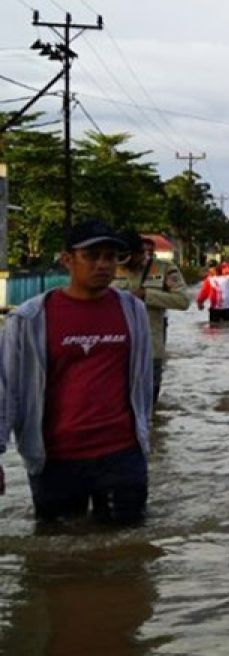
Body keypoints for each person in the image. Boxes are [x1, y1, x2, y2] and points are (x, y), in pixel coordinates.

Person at [0, 219, 155, 524]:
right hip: (55, 459)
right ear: (67, 260)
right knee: (57, 558)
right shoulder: (30, 319)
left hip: (122, 454)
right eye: (92, 256)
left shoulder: (132, 311)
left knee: (128, 556)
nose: (103, 265)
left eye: (110, 257)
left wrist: (143, 435)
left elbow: (144, 380)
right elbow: (7, 387)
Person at [112, 231, 189, 403]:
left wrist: (147, 295)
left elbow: (183, 301)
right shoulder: (109, 268)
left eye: (129, 259)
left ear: (141, 253)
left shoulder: (163, 268)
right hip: (115, 350)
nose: (124, 265)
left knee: (148, 405)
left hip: (150, 349)